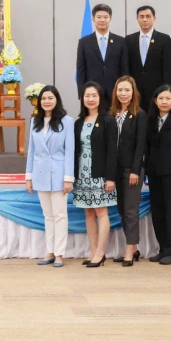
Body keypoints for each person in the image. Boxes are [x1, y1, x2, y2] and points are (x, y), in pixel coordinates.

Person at [25, 85, 75, 268]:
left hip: (59, 174)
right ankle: (50, 252)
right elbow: (31, 151)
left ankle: (59, 253)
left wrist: (68, 178)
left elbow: (69, 151)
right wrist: (28, 177)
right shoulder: (35, 121)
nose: (47, 101)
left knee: (60, 215)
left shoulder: (67, 121)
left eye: (50, 98)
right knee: (48, 216)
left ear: (57, 100)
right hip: (40, 173)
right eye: (44, 98)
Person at [72, 82, 117, 268]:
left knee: (101, 211)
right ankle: (92, 251)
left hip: (100, 173)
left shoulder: (108, 120)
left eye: (94, 95)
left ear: (100, 98)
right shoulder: (78, 122)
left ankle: (100, 252)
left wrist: (110, 177)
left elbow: (112, 151)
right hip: (82, 174)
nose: (90, 99)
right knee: (88, 212)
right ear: (82, 98)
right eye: (87, 96)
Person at [145, 85, 171, 265]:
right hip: (154, 174)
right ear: (155, 101)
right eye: (161, 98)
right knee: (158, 213)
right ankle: (162, 249)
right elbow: (147, 148)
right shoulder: (150, 120)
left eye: (168, 98)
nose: (164, 102)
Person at [110, 76, 147, 266]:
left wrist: (135, 170)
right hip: (115, 170)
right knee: (122, 210)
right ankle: (135, 249)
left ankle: (128, 250)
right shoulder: (111, 114)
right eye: (120, 90)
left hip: (132, 170)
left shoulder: (139, 115)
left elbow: (141, 145)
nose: (123, 94)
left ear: (134, 93)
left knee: (131, 210)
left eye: (127, 90)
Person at [76, 3, 129, 109]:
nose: (102, 20)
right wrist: (82, 93)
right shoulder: (84, 42)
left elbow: (124, 68)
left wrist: (124, 90)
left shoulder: (120, 41)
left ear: (110, 19)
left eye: (105, 17)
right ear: (93, 19)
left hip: (115, 92)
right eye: (99, 17)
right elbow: (81, 70)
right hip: (92, 93)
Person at [125, 5, 171, 110]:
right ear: (137, 19)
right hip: (135, 90)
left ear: (154, 18)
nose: (145, 20)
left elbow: (168, 68)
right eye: (141, 17)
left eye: (148, 16)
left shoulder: (164, 39)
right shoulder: (129, 39)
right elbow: (127, 66)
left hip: (156, 90)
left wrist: (167, 89)